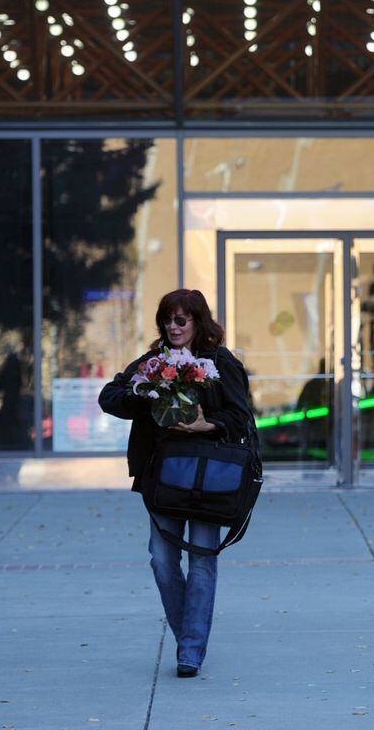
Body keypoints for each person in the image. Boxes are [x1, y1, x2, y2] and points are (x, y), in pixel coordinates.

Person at [99, 289, 256, 679]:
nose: (173, 327)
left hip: (209, 479)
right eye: (167, 320)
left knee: (202, 560)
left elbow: (241, 416)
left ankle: (190, 651)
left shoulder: (220, 362)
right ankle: (191, 634)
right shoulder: (154, 361)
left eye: (181, 320)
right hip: (163, 478)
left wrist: (208, 423)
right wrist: (150, 392)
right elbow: (110, 396)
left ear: (197, 322)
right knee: (162, 560)